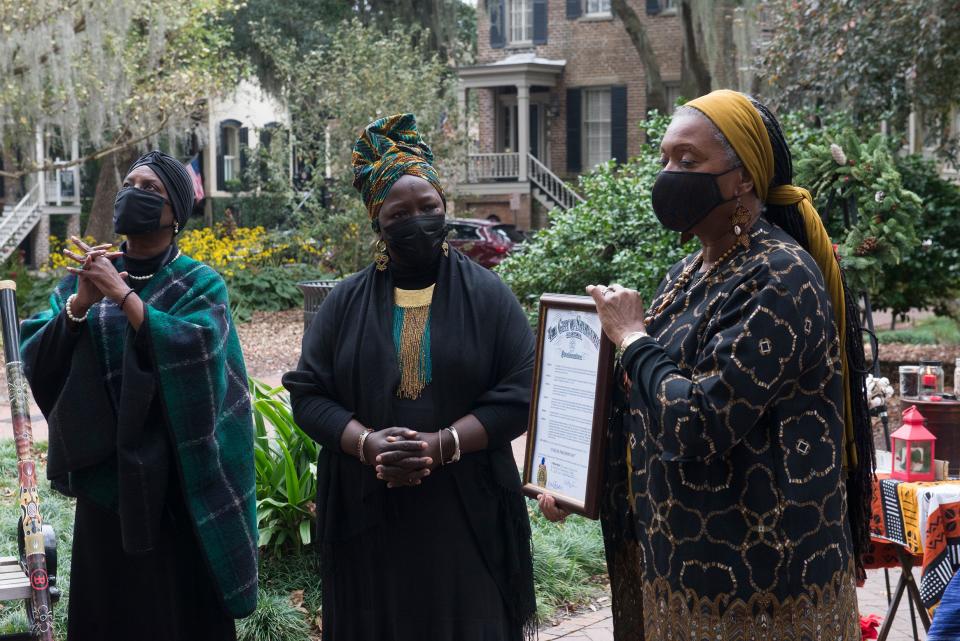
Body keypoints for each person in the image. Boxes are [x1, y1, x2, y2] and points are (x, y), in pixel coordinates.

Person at [541, 90, 874, 640]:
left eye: (688, 161)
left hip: (763, 586)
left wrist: (631, 336)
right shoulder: (687, 271)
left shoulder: (778, 277)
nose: (670, 173)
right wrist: (582, 486)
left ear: (742, 178)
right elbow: (645, 400)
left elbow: (698, 421)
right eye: (666, 159)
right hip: (677, 571)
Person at [283, 113, 537, 641]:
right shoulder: (342, 304)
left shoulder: (490, 296)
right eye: (399, 212)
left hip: (468, 512)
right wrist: (368, 444)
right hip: (366, 512)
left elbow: (520, 394)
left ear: (444, 207)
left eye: (429, 207)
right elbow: (309, 395)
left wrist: (442, 445)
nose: (417, 219)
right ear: (378, 222)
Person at [21, 151, 257, 640]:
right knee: (110, 615)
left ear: (175, 213)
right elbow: (39, 362)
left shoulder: (199, 282)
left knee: (174, 616)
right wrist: (80, 305)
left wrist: (123, 296)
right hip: (108, 493)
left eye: (151, 190)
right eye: (130, 184)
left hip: (178, 488)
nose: (134, 193)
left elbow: (198, 354)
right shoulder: (84, 278)